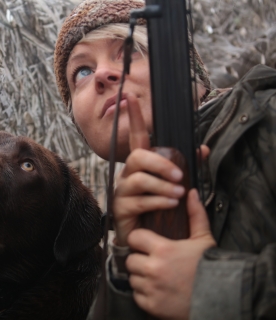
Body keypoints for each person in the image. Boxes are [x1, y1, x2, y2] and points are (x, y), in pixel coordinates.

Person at [53, 0, 276, 319]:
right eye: (82, 71)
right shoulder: (124, 220)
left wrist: (214, 289)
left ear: (185, 70)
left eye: (129, 48)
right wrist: (126, 264)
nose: (101, 74)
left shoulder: (267, 116)